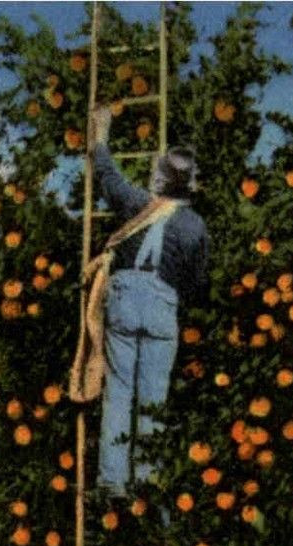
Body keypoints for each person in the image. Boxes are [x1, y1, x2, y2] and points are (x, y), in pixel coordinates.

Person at [87, 104, 209, 497]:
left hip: (123, 297)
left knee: (119, 391)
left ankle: (112, 482)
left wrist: (100, 134)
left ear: (158, 180)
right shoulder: (194, 226)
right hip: (161, 304)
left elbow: (107, 176)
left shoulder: (138, 204)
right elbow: (197, 281)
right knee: (153, 397)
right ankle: (146, 481)